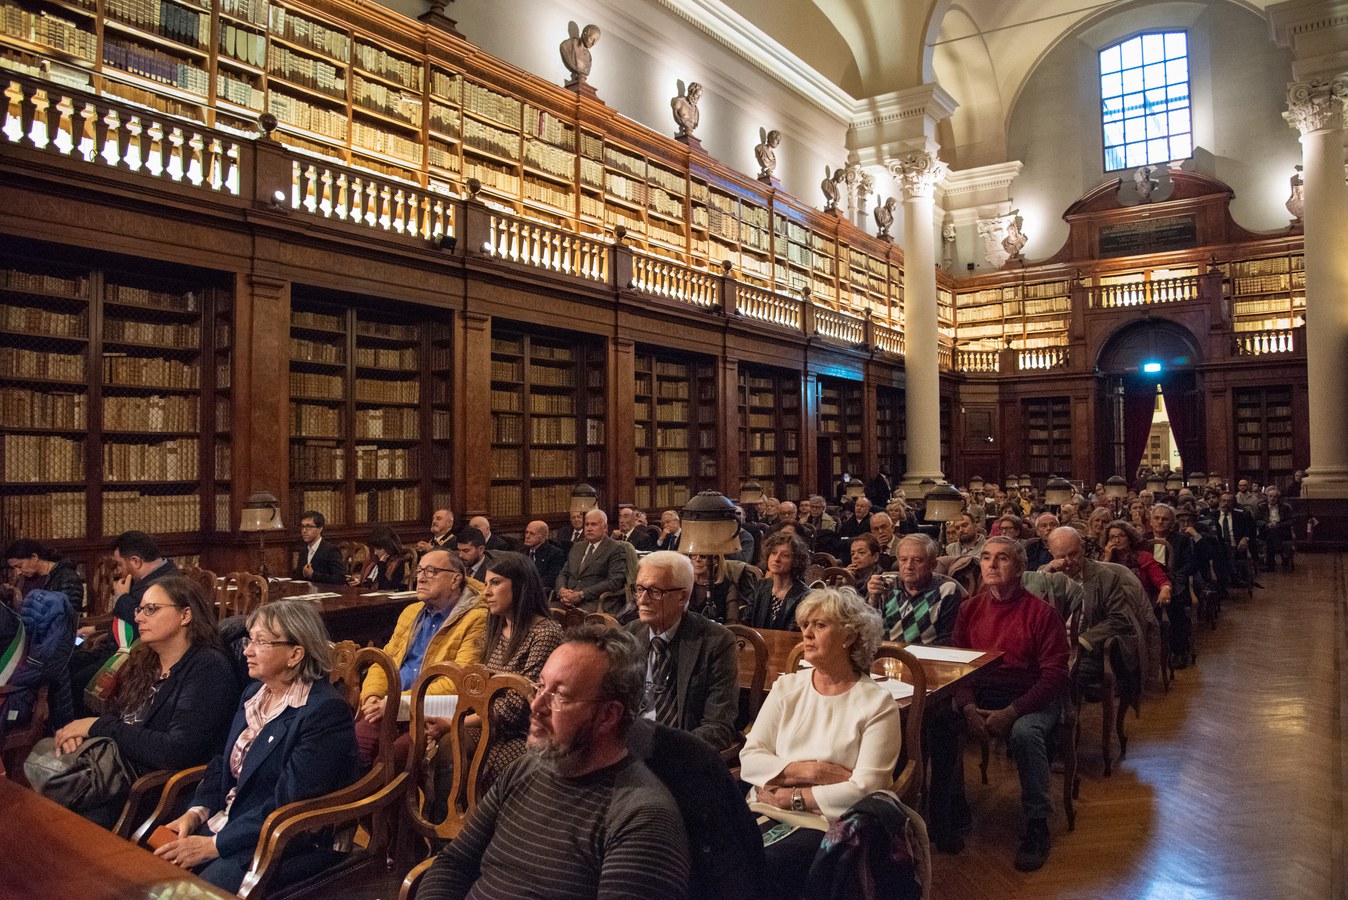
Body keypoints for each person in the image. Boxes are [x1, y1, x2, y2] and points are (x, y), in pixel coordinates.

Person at [417, 626, 690, 900]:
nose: (536, 706)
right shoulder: (524, 770)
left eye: (559, 696)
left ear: (609, 715)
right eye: (540, 686)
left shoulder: (643, 819)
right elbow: (453, 864)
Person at [154, 599, 357, 893]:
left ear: (295, 654)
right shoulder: (254, 693)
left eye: (260, 642)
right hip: (232, 821)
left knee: (195, 891)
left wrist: (213, 845)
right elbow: (223, 762)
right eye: (250, 639)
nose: (247, 650)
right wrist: (195, 813)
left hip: (285, 838)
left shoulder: (324, 712)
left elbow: (288, 803)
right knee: (152, 870)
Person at [740, 585, 902, 897]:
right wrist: (813, 772)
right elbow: (750, 758)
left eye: (820, 625)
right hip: (762, 806)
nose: (807, 634)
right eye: (804, 625)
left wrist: (789, 796)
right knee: (711, 852)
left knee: (759, 865)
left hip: (829, 823)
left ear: (849, 636)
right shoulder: (787, 688)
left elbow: (867, 789)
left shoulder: (877, 703)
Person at [928, 536, 1069, 872]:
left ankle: (1037, 823)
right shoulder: (969, 609)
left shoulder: (1041, 613)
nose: (991, 564)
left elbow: (1054, 677)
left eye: (1002, 558)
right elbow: (958, 666)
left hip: (1030, 697)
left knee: (1025, 734)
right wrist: (967, 707)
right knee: (939, 721)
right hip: (979, 696)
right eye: (986, 557)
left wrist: (1013, 712)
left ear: (1020, 568)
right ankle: (951, 808)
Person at [48, 577, 239, 826]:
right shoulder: (146, 658)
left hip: (155, 790)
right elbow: (121, 717)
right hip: (118, 770)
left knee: (57, 820)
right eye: (139, 609)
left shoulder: (209, 668)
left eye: (151, 609)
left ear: (185, 615)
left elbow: (175, 751)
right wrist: (84, 737)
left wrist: (97, 727)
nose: (138, 617)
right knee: (44, 789)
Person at [429, 551, 563, 799]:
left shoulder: (545, 632)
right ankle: (450, 819)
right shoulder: (497, 626)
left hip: (524, 731)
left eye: (496, 583)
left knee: (453, 741)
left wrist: (454, 722)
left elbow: (517, 707)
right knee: (448, 745)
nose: (486, 592)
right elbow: (479, 686)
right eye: (486, 583)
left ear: (520, 586)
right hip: (487, 723)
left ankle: (462, 819)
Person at [357, 549, 487, 769]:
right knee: (355, 746)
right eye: (419, 571)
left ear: (455, 579)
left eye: (431, 571)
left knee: (393, 759)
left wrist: (398, 704)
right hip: (388, 704)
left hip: (429, 713)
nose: (421, 578)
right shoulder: (411, 611)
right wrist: (372, 695)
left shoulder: (476, 618)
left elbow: (458, 681)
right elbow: (385, 662)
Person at [623, 552, 739, 753]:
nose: (642, 600)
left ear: (682, 596)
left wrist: (663, 748)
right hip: (630, 750)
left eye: (654, 591)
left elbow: (718, 727)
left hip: (683, 753)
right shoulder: (628, 635)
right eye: (639, 589)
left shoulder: (716, 642)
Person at [69, 530, 181, 718]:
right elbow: (122, 618)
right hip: (112, 646)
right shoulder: (145, 578)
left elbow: (143, 622)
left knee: (78, 681)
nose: (119, 571)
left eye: (120, 564)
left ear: (136, 562)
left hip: (135, 655)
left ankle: (85, 729)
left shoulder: (165, 584)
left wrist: (122, 597)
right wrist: (95, 628)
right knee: (68, 664)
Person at [867, 533, 966, 644]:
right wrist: (872, 601)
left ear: (933, 565)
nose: (908, 566)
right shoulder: (886, 585)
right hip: (885, 652)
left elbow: (947, 640)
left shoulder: (947, 590)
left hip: (924, 654)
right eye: (903, 559)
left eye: (917, 560)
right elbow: (868, 631)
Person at [555, 509, 629, 614]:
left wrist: (582, 594)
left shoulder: (615, 548)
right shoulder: (577, 546)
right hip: (567, 599)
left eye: (593, 524)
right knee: (544, 613)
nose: (589, 528)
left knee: (575, 617)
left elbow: (614, 582)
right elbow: (564, 573)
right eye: (587, 525)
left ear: (605, 527)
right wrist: (562, 590)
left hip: (595, 601)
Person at [744, 532, 810, 631]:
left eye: (785, 555)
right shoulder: (760, 586)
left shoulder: (804, 596)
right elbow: (746, 622)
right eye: (774, 553)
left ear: (796, 561)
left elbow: (794, 632)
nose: (776, 559)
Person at [5, 539, 83, 612]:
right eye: (13, 568)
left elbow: (69, 613)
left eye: (19, 566)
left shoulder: (66, 576)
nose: (18, 572)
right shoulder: (23, 580)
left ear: (34, 557)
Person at [688, 551, 758, 624]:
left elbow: (732, 622)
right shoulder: (684, 584)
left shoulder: (728, 587)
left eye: (703, 556)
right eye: (693, 555)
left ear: (716, 560)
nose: (697, 559)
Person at [293, 511, 345, 584]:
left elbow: (340, 579)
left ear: (320, 529)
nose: (304, 531)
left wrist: (313, 575)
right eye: (302, 527)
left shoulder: (331, 550)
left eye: (309, 527)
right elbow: (298, 578)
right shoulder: (303, 551)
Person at [349, 526, 406, 590]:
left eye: (379, 549)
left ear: (389, 547)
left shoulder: (397, 563)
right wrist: (359, 581)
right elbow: (367, 582)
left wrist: (381, 565)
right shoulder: (373, 561)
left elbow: (385, 588)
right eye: (374, 548)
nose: (375, 552)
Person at [1257, 487, 1295, 571]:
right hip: (1266, 529)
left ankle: (1270, 565)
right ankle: (1281, 552)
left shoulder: (1285, 507)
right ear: (1267, 497)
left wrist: (1278, 525)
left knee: (1271, 536)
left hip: (1282, 530)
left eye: (1275, 497)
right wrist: (1266, 524)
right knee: (1271, 532)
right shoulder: (1261, 507)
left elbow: (1291, 521)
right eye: (1270, 496)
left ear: (1278, 498)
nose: (1272, 499)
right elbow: (1257, 520)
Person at [521, 520, 565, 589]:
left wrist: (529, 585)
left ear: (543, 537)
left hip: (539, 590)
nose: (527, 536)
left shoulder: (555, 553)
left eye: (532, 533)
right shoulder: (521, 551)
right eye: (526, 532)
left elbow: (552, 578)